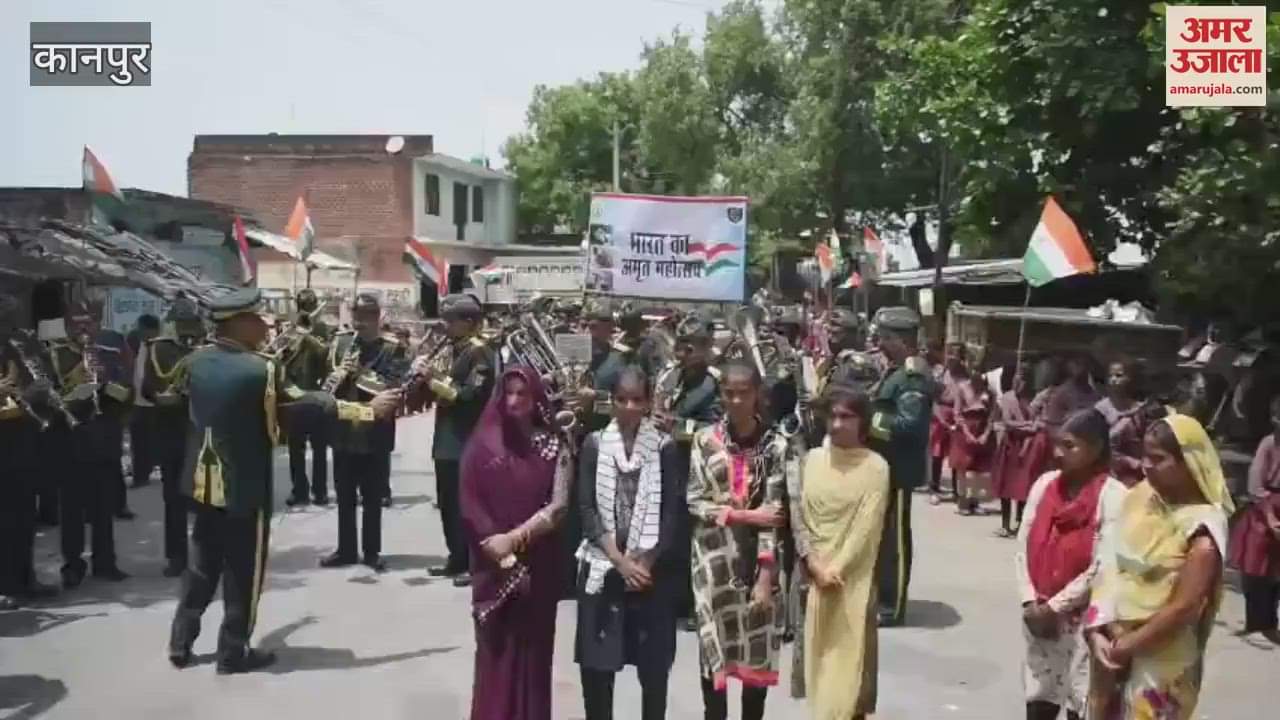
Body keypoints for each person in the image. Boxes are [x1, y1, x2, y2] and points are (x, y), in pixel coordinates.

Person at [167, 289, 399, 674]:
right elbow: (303, 403)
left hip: (201, 481)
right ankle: (233, 651)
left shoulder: (193, 361)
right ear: (238, 323)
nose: (264, 324)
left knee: (202, 564)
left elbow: (173, 404)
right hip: (244, 483)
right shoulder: (262, 369)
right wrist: (366, 410)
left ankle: (181, 641)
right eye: (257, 318)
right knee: (243, 571)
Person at [1084, 414, 1234, 719]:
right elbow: (1109, 559)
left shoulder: (1202, 528)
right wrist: (1099, 629)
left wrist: (1127, 646)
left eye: (1158, 458)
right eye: (1144, 456)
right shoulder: (1141, 498)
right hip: (1110, 642)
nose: (1146, 465)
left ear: (1188, 463)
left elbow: (1183, 608)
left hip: (1163, 661)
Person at [461, 366, 571, 720]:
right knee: (494, 655)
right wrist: (495, 544)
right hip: (493, 565)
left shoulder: (556, 444)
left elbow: (559, 506)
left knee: (534, 657)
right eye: (508, 393)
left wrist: (515, 538)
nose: (514, 401)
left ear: (535, 396)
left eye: (522, 393)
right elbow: (469, 501)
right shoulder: (482, 444)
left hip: (539, 566)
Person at [574, 367, 681, 720]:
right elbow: (587, 509)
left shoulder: (664, 447)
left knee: (652, 671)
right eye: (622, 399)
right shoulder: (594, 444)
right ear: (612, 401)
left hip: (651, 573)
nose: (630, 407)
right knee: (598, 668)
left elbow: (670, 513)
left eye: (637, 399)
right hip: (605, 566)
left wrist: (645, 563)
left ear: (649, 402)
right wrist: (619, 561)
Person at [687, 359, 788, 720]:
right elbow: (695, 501)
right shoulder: (704, 441)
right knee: (713, 654)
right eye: (728, 393)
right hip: (712, 565)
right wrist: (743, 514)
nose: (735, 401)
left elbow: (774, 515)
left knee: (754, 659)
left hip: (759, 567)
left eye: (743, 393)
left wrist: (765, 578)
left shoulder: (776, 445)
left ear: (757, 394)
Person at [1014, 409, 1128, 720]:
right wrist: (1030, 602)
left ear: (1095, 450)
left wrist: (1056, 607)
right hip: (1038, 612)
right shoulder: (1045, 485)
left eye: (1070, 446)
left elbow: (1104, 563)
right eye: (1058, 444)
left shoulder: (1114, 496)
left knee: (1082, 698)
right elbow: (1023, 545)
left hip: (1086, 619)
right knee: (1040, 694)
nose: (1057, 453)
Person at [789, 383, 888, 720]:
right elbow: (799, 515)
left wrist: (835, 569)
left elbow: (866, 527)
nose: (837, 424)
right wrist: (814, 564)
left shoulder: (876, 467)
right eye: (833, 416)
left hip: (852, 583)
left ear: (863, 422)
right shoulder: (813, 460)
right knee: (817, 669)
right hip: (812, 577)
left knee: (852, 677)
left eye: (847, 417)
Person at [413, 294, 496, 588]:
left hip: (467, 438)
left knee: (467, 507)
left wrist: (433, 379)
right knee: (448, 503)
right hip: (447, 439)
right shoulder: (454, 348)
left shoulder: (481, 352)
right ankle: (456, 557)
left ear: (469, 323)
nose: (446, 326)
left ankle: (475, 565)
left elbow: (470, 396)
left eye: (451, 321)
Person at [48, 298, 131, 586]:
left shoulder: (109, 353)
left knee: (103, 509)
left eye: (90, 322)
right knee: (71, 511)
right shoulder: (55, 355)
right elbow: (48, 396)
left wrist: (106, 383)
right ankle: (72, 565)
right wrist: (77, 383)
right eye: (78, 322)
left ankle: (105, 563)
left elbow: (127, 394)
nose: (85, 328)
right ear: (68, 325)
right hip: (71, 442)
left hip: (104, 441)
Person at [320, 293, 404, 572]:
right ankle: (345, 550)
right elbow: (325, 388)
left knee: (371, 498)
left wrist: (359, 376)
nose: (360, 322)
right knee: (344, 496)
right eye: (356, 316)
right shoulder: (341, 344)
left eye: (366, 316)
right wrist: (339, 376)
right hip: (343, 431)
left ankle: (371, 552)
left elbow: (394, 388)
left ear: (377, 316)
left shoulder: (393, 348)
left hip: (375, 434)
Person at [653, 316, 723, 628]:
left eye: (690, 347)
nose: (682, 353)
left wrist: (678, 427)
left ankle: (697, 605)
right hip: (668, 465)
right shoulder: (671, 375)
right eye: (680, 346)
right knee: (671, 536)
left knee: (695, 539)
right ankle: (674, 601)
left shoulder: (715, 382)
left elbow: (718, 428)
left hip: (699, 469)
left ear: (707, 348)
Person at [867, 307, 933, 627]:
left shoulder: (912, 377)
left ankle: (893, 606)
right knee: (884, 538)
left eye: (885, 338)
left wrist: (868, 421)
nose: (879, 343)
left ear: (901, 339)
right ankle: (884, 596)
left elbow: (911, 425)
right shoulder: (895, 371)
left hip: (899, 468)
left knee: (895, 541)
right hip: (885, 466)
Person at [0, 291, 60, 606]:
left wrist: (41, 388)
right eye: (6, 317)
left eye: (13, 317)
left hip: (24, 440)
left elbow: (43, 379)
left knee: (24, 517)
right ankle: (6, 586)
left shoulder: (21, 345)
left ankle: (26, 579)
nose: (11, 324)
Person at [139, 298, 206, 577]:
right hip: (172, 432)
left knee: (206, 498)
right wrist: (160, 397)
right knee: (174, 499)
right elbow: (146, 389)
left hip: (202, 433)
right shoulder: (159, 349)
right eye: (184, 323)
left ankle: (206, 552)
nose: (188, 329)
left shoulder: (208, 350)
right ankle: (176, 556)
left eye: (192, 323)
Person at [1227, 395, 1280, 642]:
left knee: (1276, 574)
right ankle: (1255, 621)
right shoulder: (1268, 444)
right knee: (1255, 571)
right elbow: (1256, 485)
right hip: (1264, 510)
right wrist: (1270, 517)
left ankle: (1270, 620)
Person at [285, 293, 334, 506]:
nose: (306, 308)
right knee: (295, 449)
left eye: (309, 305)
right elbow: (282, 357)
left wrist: (308, 334)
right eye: (302, 305)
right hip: (293, 394)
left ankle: (320, 491)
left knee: (320, 447)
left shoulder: (322, 329)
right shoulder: (289, 329)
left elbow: (325, 354)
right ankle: (299, 490)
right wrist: (294, 335)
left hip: (316, 393)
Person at [1094, 358, 1160, 488]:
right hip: (1110, 472)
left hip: (1139, 473)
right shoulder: (1100, 409)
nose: (1113, 379)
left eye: (1119, 375)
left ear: (1130, 379)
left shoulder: (1142, 410)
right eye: (1110, 376)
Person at [992, 367, 1037, 538]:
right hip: (1010, 443)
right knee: (1005, 486)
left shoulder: (1031, 400)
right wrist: (1026, 425)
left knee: (1022, 486)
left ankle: (1019, 522)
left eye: (1023, 379)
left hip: (1026, 445)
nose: (1019, 383)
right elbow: (1007, 421)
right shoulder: (1007, 397)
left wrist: (1029, 426)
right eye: (1016, 379)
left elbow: (1037, 422)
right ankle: (1005, 524)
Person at [929, 343, 970, 503]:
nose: (952, 358)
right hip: (942, 412)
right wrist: (939, 416)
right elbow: (933, 397)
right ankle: (934, 487)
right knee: (937, 452)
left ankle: (956, 490)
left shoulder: (965, 375)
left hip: (958, 414)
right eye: (950, 354)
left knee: (956, 453)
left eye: (956, 355)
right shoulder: (939, 373)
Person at [950, 373, 995, 515]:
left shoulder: (989, 391)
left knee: (979, 469)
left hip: (982, 428)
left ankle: (974, 501)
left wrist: (986, 434)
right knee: (962, 468)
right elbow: (957, 413)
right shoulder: (962, 388)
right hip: (965, 429)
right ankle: (962, 502)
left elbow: (993, 414)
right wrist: (967, 433)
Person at [127, 313, 161, 488]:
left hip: (153, 401)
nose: (139, 331)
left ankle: (147, 471)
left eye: (143, 329)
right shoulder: (133, 342)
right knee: (138, 440)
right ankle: (140, 475)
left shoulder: (161, 347)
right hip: (135, 400)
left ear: (153, 330)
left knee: (150, 440)